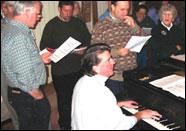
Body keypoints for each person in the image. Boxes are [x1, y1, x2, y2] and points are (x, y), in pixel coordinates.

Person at [71, 43, 162, 130]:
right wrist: (140, 114)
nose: (113, 62)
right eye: (108, 60)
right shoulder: (102, 92)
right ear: (96, 68)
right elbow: (121, 126)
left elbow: (94, 108)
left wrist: (119, 104)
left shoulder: (83, 81)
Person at [40, 1, 91, 130]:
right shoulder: (51, 25)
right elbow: (44, 48)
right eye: (65, 11)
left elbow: (88, 41)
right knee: (64, 102)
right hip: (61, 71)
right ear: (59, 9)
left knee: (79, 98)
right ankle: (65, 125)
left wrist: (83, 50)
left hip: (78, 68)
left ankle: (79, 122)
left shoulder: (78, 23)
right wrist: (55, 52)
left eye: (70, 11)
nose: (68, 14)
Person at [1, 1, 52, 130]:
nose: (39, 17)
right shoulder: (18, 36)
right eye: (38, 14)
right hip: (28, 95)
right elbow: (24, 76)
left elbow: (19, 60)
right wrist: (39, 96)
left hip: (23, 93)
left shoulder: (12, 28)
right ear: (27, 12)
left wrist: (38, 59)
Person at [91, 1, 145, 101]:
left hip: (132, 74)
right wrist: (117, 52)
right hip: (114, 77)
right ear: (113, 7)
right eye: (122, 9)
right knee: (115, 106)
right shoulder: (101, 26)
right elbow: (96, 51)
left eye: (127, 9)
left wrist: (134, 26)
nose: (125, 13)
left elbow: (144, 42)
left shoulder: (129, 22)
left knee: (133, 105)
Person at [133, 4, 155, 69]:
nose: (142, 15)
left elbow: (154, 32)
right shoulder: (131, 20)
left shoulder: (149, 21)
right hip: (133, 46)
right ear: (136, 13)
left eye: (144, 14)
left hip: (145, 46)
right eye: (140, 13)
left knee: (145, 54)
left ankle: (143, 70)